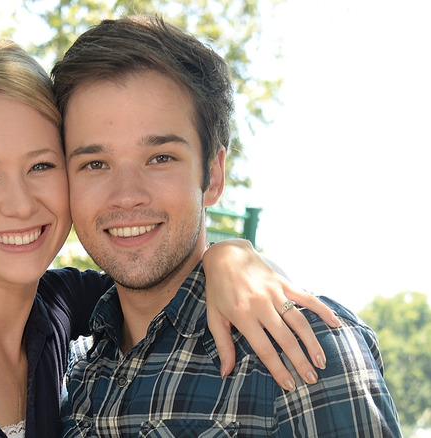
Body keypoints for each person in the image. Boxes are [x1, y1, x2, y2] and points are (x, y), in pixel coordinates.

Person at [0, 40, 337, 438]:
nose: (22, 204)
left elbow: (151, 272)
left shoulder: (64, 313)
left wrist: (229, 255)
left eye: (42, 165)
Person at [53, 15, 401, 437]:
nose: (127, 195)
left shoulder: (303, 349)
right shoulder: (72, 364)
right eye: (95, 163)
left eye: (160, 158)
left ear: (213, 176)